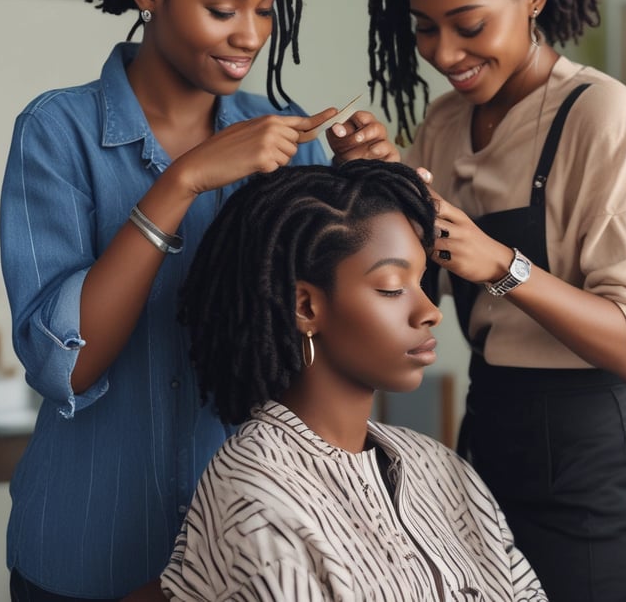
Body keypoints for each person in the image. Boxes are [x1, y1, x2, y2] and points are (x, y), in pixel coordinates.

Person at [0, 0, 396, 599]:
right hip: (84, 556)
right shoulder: (56, 132)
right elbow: (66, 366)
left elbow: (335, 335)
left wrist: (367, 190)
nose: (250, 34)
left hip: (247, 553)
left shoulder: (294, 140)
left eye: (265, 9)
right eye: (223, 7)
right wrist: (184, 180)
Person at [366, 0, 626, 602]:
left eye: (469, 25)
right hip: (489, 441)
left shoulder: (601, 117)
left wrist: (501, 265)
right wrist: (382, 181)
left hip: (597, 465)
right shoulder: (447, 124)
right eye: (424, 28)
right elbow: (417, 283)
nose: (445, 53)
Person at [159, 160, 547, 601]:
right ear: (305, 307)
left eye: (421, 281)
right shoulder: (257, 495)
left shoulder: (443, 469)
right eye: (391, 287)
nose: (429, 311)